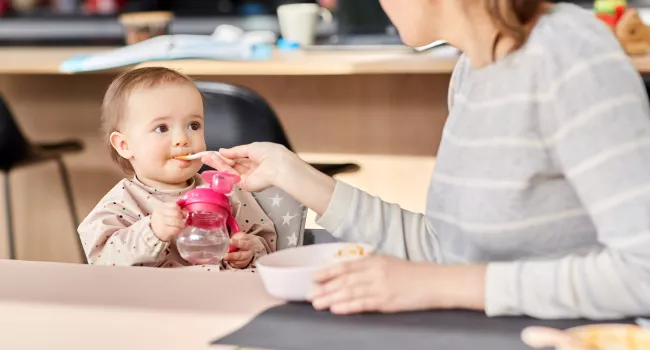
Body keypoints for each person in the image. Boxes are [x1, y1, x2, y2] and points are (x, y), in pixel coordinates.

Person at [204, 0, 650, 319]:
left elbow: (642, 276)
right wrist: (291, 173)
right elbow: (448, 252)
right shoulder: (474, 69)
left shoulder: (569, 54)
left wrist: (435, 286)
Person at [78, 67, 276, 269]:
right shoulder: (120, 205)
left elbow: (267, 242)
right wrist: (152, 231)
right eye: (162, 128)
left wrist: (249, 251)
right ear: (124, 145)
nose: (182, 139)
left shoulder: (226, 190)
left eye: (194, 125)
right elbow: (102, 262)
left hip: (217, 294)